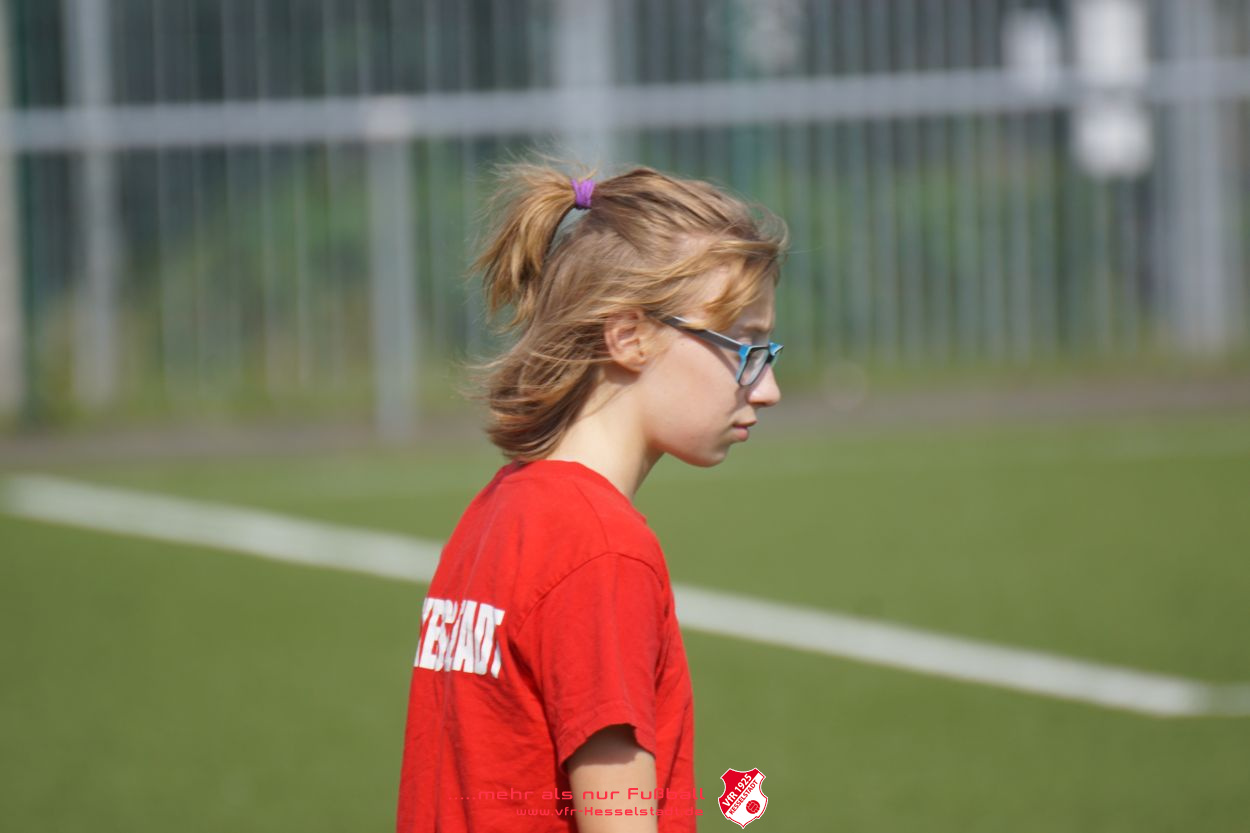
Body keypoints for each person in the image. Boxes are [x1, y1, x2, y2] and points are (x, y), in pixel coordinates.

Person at [396, 162, 788, 832]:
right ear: (629, 336)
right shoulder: (603, 551)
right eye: (743, 344)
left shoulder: (497, 511)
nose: (769, 388)